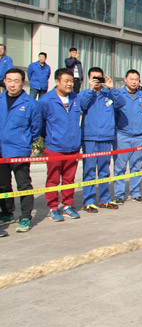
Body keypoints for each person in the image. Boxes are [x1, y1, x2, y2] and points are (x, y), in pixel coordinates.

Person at [0, 68, 41, 233]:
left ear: (23, 83)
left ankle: (25, 216)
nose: (12, 84)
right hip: (1, 151)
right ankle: (7, 213)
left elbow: (36, 127)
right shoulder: (0, 99)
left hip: (19, 150)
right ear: (4, 82)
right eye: (9, 80)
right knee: (3, 185)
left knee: (23, 185)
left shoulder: (30, 103)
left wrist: (25, 141)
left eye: (16, 81)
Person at [79, 68, 124, 213]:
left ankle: (105, 199)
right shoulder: (85, 94)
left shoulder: (108, 94)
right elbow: (82, 105)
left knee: (104, 170)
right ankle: (89, 201)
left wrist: (112, 88)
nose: (97, 81)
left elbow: (121, 103)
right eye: (94, 78)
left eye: (99, 78)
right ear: (89, 79)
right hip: (90, 138)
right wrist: (90, 90)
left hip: (106, 137)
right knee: (89, 171)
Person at [39, 69, 82, 221]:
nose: (69, 84)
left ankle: (68, 206)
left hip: (73, 147)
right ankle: (53, 207)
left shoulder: (75, 98)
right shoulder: (46, 100)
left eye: (71, 81)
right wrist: (51, 137)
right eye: (66, 81)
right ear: (57, 82)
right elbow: (41, 124)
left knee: (69, 179)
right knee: (53, 179)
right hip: (54, 147)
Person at [113, 69, 142, 204]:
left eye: (136, 79)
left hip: (140, 137)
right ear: (125, 80)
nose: (134, 82)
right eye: (131, 79)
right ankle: (119, 194)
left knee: (137, 166)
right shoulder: (119, 95)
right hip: (122, 136)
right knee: (120, 167)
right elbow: (114, 116)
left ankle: (136, 193)